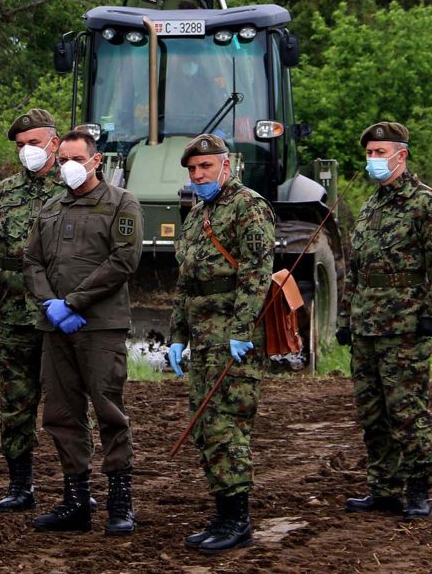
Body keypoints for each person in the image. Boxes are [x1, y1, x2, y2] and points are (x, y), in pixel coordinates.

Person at [23, 129, 143, 536]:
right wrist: (50, 306)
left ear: (96, 160)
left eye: (77, 158)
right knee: (60, 414)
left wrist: (73, 302)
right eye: (63, 160)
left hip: (100, 327)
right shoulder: (50, 208)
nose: (69, 167)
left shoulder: (121, 203)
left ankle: (120, 502)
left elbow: (123, 261)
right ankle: (75, 501)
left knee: (108, 410)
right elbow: (32, 263)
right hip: (56, 328)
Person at [337, 121, 432, 520]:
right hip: (367, 323)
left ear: (400, 155)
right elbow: (354, 269)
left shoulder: (426, 204)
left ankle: (418, 488)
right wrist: (345, 318)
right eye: (369, 154)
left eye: (379, 153)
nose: (372, 161)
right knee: (372, 412)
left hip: (404, 325)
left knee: (406, 409)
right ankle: (383, 488)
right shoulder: (371, 206)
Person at [166, 133, 274, 552]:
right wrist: (176, 336)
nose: (198, 175)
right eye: (193, 169)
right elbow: (184, 283)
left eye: (205, 166)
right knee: (207, 427)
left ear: (226, 165)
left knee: (227, 426)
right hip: (203, 338)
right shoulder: (196, 215)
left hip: (233, 337)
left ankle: (238, 520)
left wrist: (242, 330)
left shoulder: (249, 206)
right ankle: (223, 511)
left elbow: (255, 273)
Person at [0, 109, 64, 512]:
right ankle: (21, 484)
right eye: (20, 146)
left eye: (34, 143)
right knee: (15, 403)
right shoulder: (3, 193)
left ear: (54, 144)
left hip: (62, 317)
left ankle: (78, 483)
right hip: (15, 318)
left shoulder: (76, 187)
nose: (27, 152)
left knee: (67, 403)